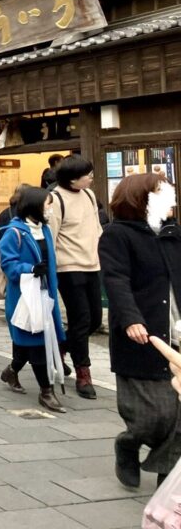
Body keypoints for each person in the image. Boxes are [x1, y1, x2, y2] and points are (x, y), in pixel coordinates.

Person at [101, 173, 181, 489]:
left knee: (180, 417)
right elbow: (116, 280)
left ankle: (169, 481)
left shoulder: (173, 233)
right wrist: (132, 319)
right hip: (143, 334)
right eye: (164, 193)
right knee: (153, 418)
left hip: (177, 330)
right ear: (141, 198)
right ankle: (129, 444)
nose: (172, 199)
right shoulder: (117, 235)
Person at [0, 187, 68, 413]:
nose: (50, 209)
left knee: (33, 341)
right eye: (47, 204)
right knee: (35, 341)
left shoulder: (44, 229)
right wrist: (30, 269)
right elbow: (9, 265)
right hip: (25, 297)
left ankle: (12, 370)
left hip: (46, 293)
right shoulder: (14, 232)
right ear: (34, 206)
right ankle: (46, 392)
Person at [48, 155, 103, 400]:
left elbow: (96, 228)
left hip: (93, 264)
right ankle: (84, 373)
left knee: (94, 320)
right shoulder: (56, 198)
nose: (92, 177)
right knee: (81, 319)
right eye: (87, 174)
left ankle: (60, 349)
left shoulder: (90, 195)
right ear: (72, 178)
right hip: (68, 267)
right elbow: (51, 236)